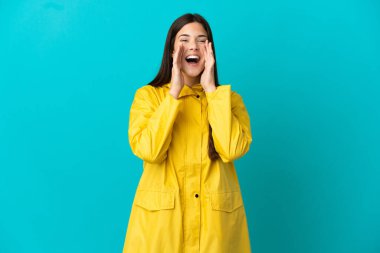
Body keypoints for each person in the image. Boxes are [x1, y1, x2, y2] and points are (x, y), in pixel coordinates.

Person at [122, 13, 253, 253]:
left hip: (216, 234)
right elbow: (149, 150)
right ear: (172, 51)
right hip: (161, 232)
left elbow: (232, 148)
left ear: (210, 51)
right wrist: (174, 92)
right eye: (184, 40)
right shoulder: (148, 97)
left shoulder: (228, 101)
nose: (193, 46)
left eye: (201, 40)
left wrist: (211, 90)